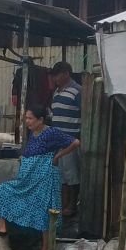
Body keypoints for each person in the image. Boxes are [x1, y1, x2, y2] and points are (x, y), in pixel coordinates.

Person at [0, 103, 80, 250]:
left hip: (44, 179)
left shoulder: (50, 133)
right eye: (26, 118)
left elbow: (75, 142)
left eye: (30, 118)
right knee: (3, 190)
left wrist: (57, 156)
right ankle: (2, 225)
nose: (27, 121)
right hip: (28, 181)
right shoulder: (33, 134)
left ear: (41, 120)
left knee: (44, 213)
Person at [48, 61, 82, 216]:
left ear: (66, 74)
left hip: (71, 140)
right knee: (61, 175)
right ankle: (63, 205)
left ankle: (73, 206)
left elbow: (84, 114)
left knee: (72, 174)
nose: (55, 78)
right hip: (58, 140)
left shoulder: (77, 91)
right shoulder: (56, 93)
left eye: (57, 75)